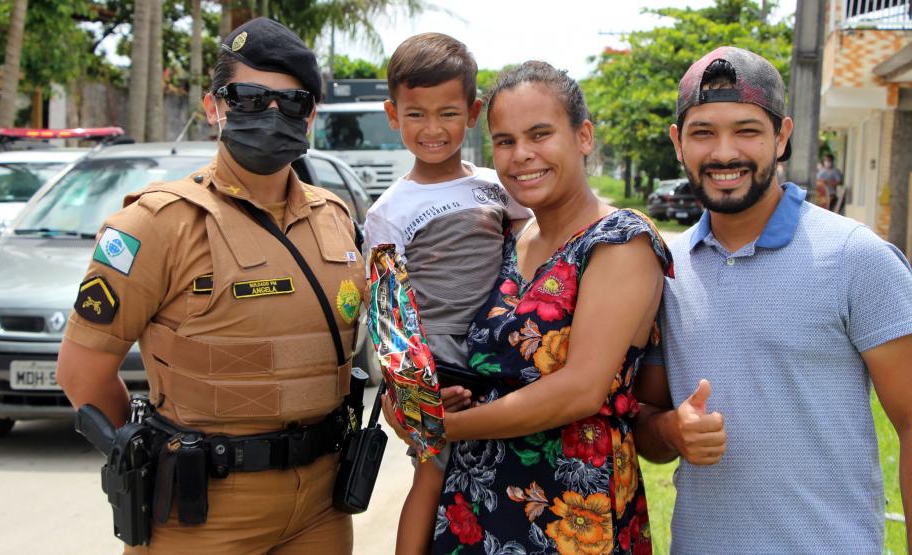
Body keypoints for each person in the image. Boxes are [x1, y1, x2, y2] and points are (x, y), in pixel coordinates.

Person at [57, 18, 363, 553]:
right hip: (203, 512)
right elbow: (82, 374)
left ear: (310, 115)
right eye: (248, 97)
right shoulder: (155, 224)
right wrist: (142, 455)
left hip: (322, 505)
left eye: (292, 102)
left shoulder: (335, 219)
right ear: (213, 106)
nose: (272, 114)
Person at [383, 61, 672, 554]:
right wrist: (425, 397)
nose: (521, 155)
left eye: (540, 134)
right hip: (471, 507)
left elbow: (580, 390)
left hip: (572, 513)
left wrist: (441, 426)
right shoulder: (511, 238)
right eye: (505, 141)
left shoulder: (622, 243)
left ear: (583, 136)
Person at [633, 46, 912, 554]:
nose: (723, 153)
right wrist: (672, 430)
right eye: (703, 132)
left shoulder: (857, 257)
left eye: (746, 130)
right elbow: (645, 424)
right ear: (677, 143)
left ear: (781, 136)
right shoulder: (663, 270)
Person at [363, 32, 531, 554]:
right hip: (436, 364)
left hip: (502, 353)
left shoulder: (496, 187)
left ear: (474, 111)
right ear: (393, 115)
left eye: (447, 113)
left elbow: (532, 253)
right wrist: (419, 389)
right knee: (431, 475)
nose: (432, 130)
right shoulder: (387, 211)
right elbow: (388, 315)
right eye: (416, 115)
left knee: (507, 476)